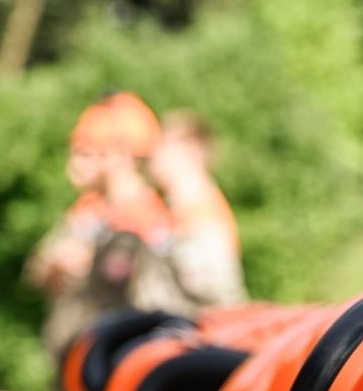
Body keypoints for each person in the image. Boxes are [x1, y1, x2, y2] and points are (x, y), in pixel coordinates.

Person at [26, 92, 183, 357]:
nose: (73, 165)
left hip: (112, 358)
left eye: (86, 153)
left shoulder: (145, 217)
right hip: (75, 353)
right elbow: (37, 271)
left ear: (118, 156)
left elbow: (151, 304)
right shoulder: (89, 209)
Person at [148, 110, 246, 311]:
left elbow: (215, 291)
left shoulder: (201, 210)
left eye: (163, 145)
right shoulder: (175, 208)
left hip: (200, 330)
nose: (153, 156)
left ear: (192, 149)